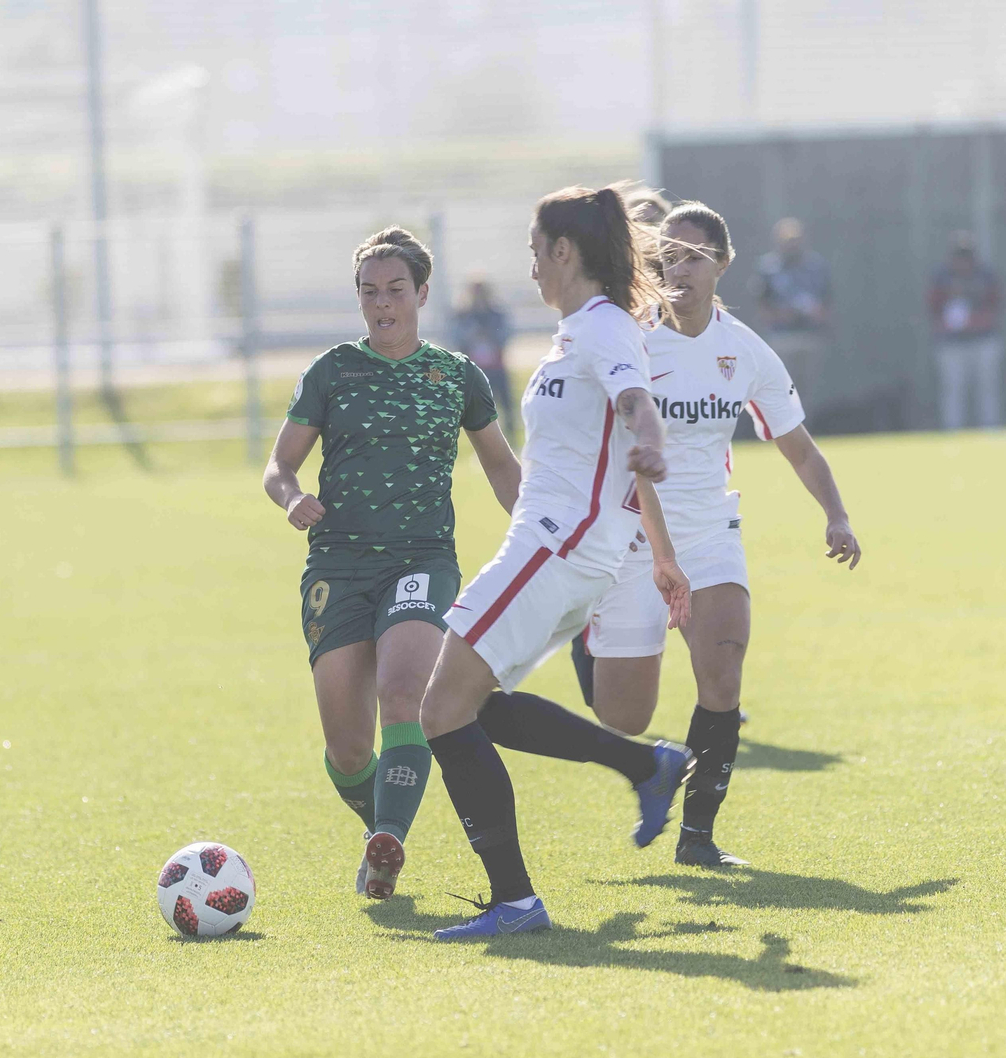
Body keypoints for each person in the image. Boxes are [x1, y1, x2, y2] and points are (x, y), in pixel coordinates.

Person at [417, 184, 697, 941]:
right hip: (562, 549)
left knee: (441, 710)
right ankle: (647, 768)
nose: (531, 265)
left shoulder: (602, 326)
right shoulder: (578, 331)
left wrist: (650, 435)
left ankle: (516, 902)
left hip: (557, 546)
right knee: (475, 703)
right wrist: (663, 554)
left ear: (564, 252)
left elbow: (637, 403)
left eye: (536, 250)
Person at [565, 200, 861, 868]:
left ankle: (696, 834)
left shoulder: (745, 351)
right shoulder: (629, 339)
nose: (680, 269)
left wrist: (835, 514)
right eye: (669, 256)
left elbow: (801, 449)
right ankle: (589, 639)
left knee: (723, 670)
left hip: (708, 531)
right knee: (623, 716)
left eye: (695, 257)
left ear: (723, 265)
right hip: (631, 535)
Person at [262, 228, 522, 901]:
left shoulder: (456, 376)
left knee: (404, 694)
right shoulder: (332, 372)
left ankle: (390, 845)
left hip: (422, 560)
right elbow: (279, 464)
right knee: (348, 749)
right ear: (359, 298)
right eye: (370, 292)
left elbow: (501, 467)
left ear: (421, 293)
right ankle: (382, 829)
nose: (383, 304)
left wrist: (548, 538)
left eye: (395, 290)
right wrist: (292, 498)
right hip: (338, 566)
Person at [927, 232, 1003, 430]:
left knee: (987, 389)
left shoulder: (985, 274)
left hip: (982, 339)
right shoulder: (941, 276)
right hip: (952, 342)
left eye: (966, 255)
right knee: (953, 389)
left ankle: (990, 429)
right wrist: (946, 323)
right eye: (959, 256)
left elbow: (996, 304)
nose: (963, 261)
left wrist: (977, 320)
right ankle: (953, 431)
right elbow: (933, 307)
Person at [754, 217, 831, 405]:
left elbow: (827, 301)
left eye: (795, 239)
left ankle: (809, 430)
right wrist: (783, 314)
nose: (792, 244)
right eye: (787, 240)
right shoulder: (769, 268)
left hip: (810, 335)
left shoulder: (816, 267)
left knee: (808, 390)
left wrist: (815, 313)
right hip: (782, 337)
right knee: (782, 387)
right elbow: (762, 305)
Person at [452, 279, 517, 440]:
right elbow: (456, 338)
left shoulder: (496, 314)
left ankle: (511, 438)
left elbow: (506, 334)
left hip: (496, 366)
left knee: (506, 405)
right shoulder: (462, 315)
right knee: (476, 409)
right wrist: (472, 335)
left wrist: (490, 335)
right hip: (475, 369)